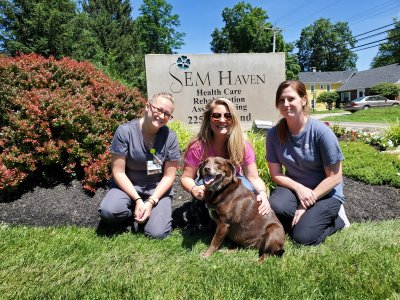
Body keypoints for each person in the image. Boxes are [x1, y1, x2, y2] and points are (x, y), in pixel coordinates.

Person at [266, 80, 350, 246]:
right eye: (281, 100)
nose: (286, 104)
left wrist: (305, 203)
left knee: (302, 238)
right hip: (296, 190)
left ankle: (338, 221)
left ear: (303, 100)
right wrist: (299, 189)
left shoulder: (321, 132)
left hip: (326, 192)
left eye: (291, 99)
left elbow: (334, 178)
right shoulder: (273, 134)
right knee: (275, 205)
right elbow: (275, 173)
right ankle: (306, 219)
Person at [99, 92, 180, 239]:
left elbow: (169, 176)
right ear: (147, 106)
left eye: (167, 114)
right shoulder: (125, 132)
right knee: (108, 211)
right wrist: (137, 200)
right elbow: (118, 173)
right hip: (128, 186)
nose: (162, 116)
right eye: (159, 110)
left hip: (156, 190)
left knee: (157, 234)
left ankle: (146, 214)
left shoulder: (170, 137)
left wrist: (151, 201)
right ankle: (132, 213)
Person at [180, 97, 270, 228]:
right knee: (211, 186)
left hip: (232, 182)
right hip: (207, 183)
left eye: (228, 116)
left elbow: (253, 177)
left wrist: (262, 193)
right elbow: (186, 177)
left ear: (233, 119)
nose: (222, 120)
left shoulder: (242, 145)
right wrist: (194, 189)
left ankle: (235, 222)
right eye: (216, 116)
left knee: (248, 187)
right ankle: (208, 218)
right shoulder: (198, 146)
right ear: (208, 119)